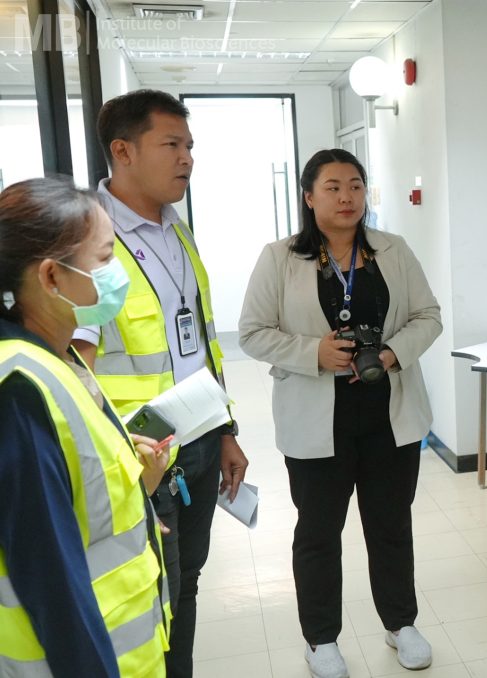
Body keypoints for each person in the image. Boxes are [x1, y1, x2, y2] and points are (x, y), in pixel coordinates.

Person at [238, 149, 442, 678]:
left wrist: (393, 352)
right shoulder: (279, 257)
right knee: (319, 532)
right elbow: (253, 333)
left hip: (388, 413)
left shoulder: (392, 250)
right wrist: (314, 353)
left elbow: (428, 316)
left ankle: (401, 624)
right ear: (309, 197)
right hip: (316, 419)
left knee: (391, 525)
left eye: (355, 185)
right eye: (332, 187)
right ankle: (321, 638)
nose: (347, 197)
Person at [70, 89, 249, 678]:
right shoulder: (86, 241)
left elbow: (201, 344)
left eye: (190, 145)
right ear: (122, 151)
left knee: (185, 580)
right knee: (149, 591)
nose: (187, 158)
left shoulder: (177, 230)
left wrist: (226, 431)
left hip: (196, 441)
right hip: (137, 456)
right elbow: (73, 366)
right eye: (171, 144)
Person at [0, 178, 171, 676]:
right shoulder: (20, 391)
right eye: (105, 257)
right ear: (52, 276)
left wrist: (134, 481)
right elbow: (51, 577)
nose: (119, 274)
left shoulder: (60, 357)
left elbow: (78, 501)